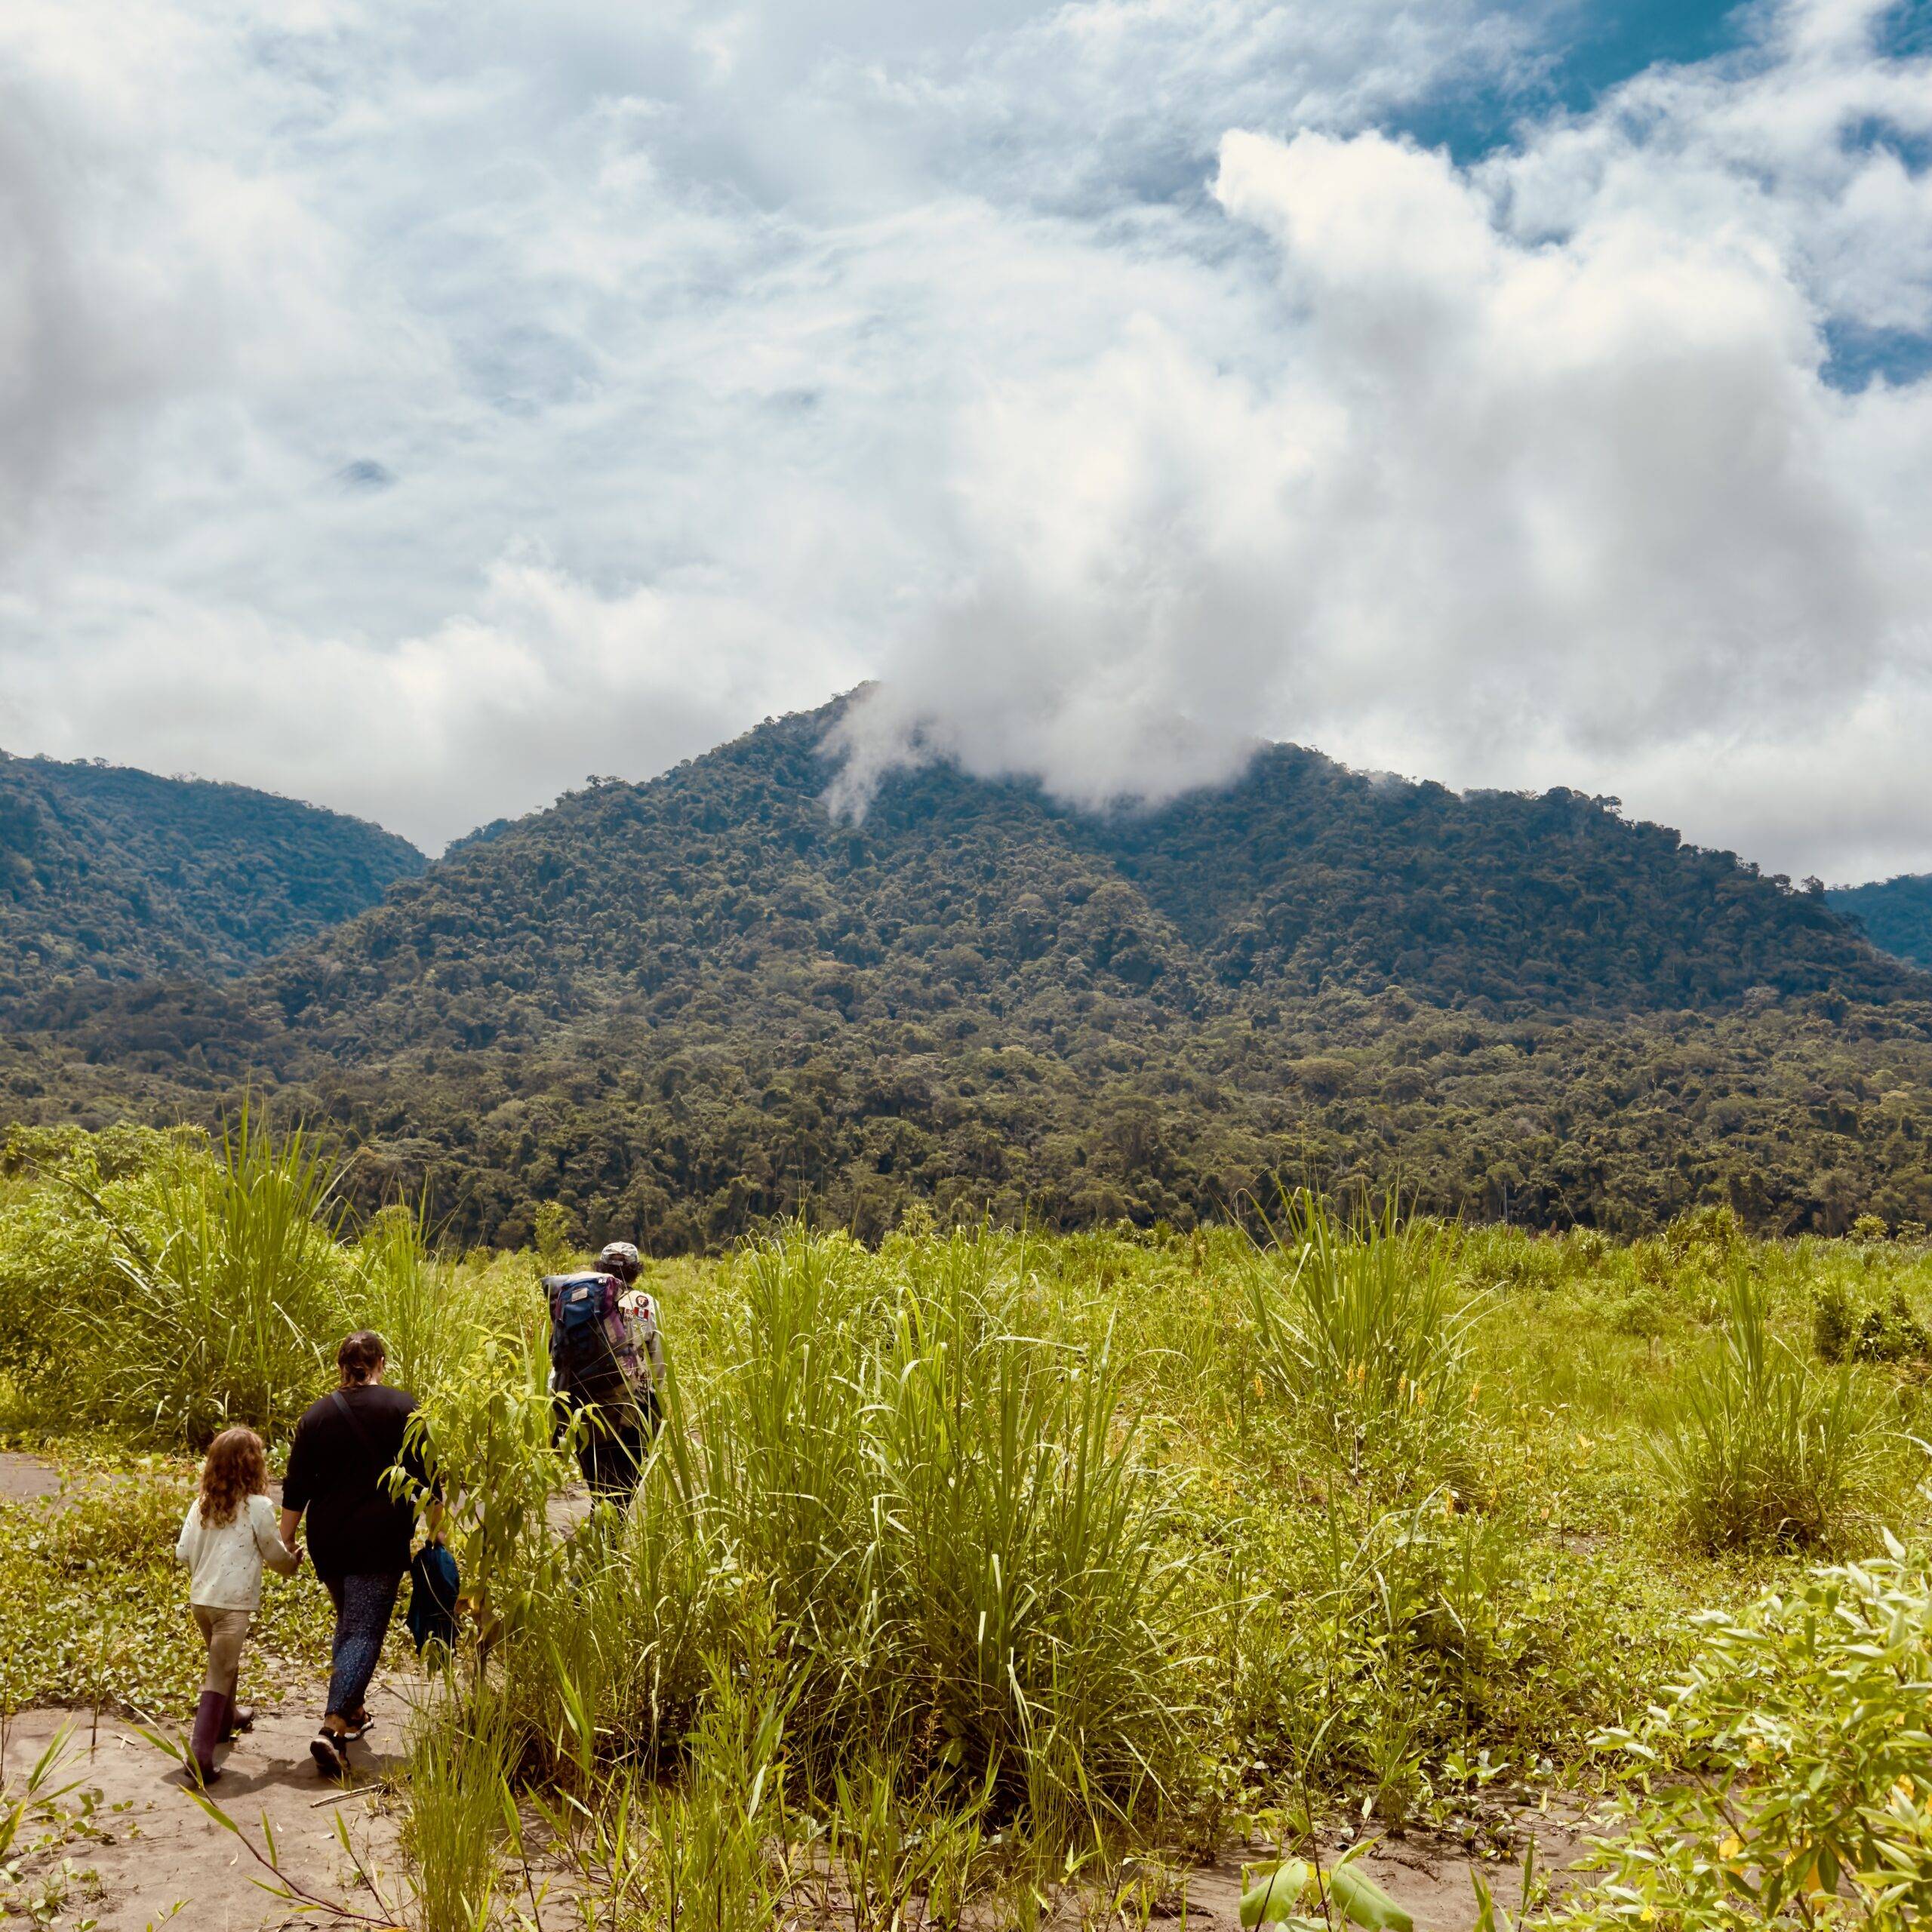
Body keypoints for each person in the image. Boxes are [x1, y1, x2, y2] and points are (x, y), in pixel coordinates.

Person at [281, 1331, 438, 1779]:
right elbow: (429, 1478)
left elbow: (296, 1488)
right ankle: (331, 1728)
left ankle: (354, 1713)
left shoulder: (316, 1415)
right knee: (363, 1632)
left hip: (327, 1539)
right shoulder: (405, 1408)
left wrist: (285, 1541)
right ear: (381, 1364)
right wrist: (437, 1532)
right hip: (379, 1539)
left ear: (340, 1367)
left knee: (351, 1623)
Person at [174, 1426, 300, 1784]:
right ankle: (200, 1755)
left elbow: (182, 1552)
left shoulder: (200, 1506)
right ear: (254, 1466)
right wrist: (292, 1561)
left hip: (202, 1600)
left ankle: (228, 1719)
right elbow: (275, 1555)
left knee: (223, 1662)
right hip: (232, 1605)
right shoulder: (258, 1507)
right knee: (220, 1670)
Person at [545, 1239, 663, 1506]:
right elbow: (658, 1362)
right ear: (635, 1270)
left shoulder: (577, 1299)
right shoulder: (644, 1303)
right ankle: (607, 1543)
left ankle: (600, 1540)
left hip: (584, 1406)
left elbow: (558, 1357)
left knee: (600, 1492)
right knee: (623, 1493)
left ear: (601, 1268)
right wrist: (655, 1403)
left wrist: (558, 1407)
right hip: (632, 1409)